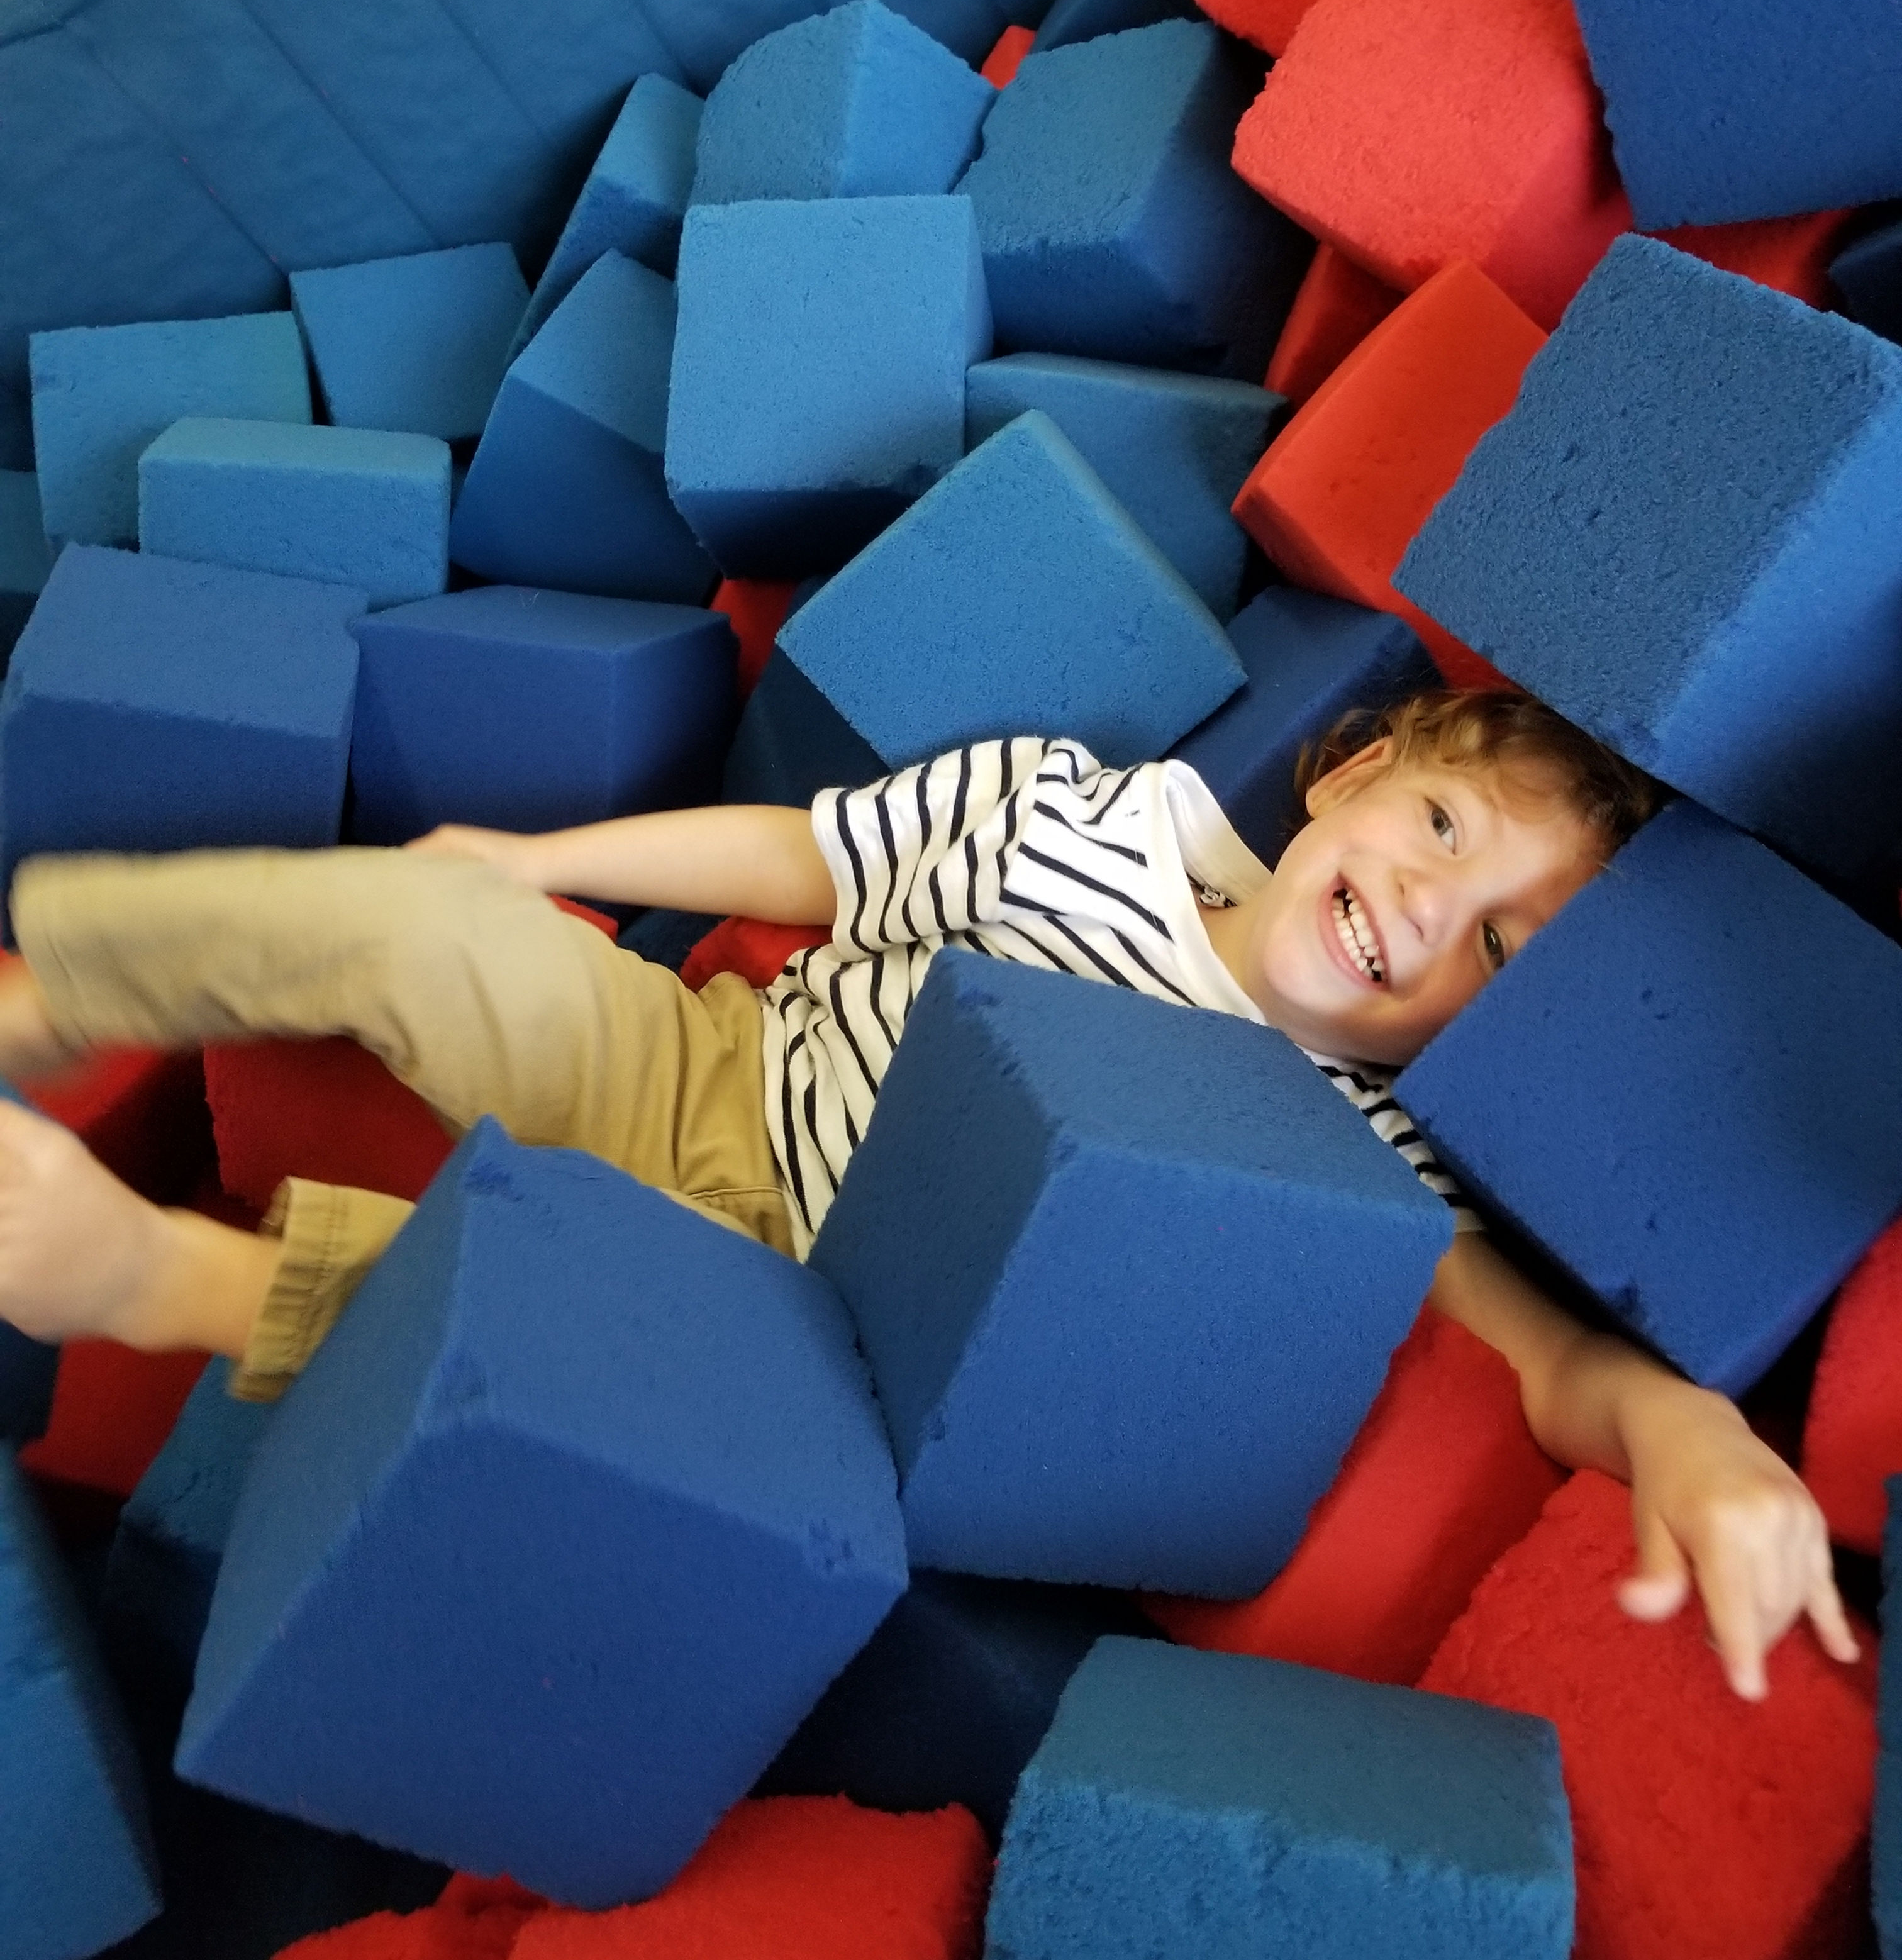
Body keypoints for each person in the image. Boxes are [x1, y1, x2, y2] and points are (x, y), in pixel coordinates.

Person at [0, 689, 1855, 1700]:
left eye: (1500, 952)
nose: (1428, 913)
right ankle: (40, 992)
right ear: (1358, 768)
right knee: (407, 917)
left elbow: (1536, 1355)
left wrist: (1690, 1429)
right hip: (695, 1062)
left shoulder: (1359, 1148)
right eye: (1441, 832)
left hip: (798, 1320)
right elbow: (810, 860)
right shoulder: (1077, 808)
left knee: (547, 1331)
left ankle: (144, 1273)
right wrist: (529, 860)